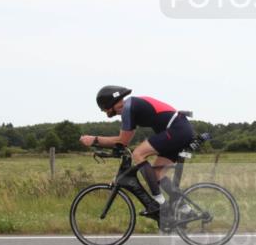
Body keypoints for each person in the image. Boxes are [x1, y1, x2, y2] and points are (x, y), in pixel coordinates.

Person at [80, 86, 194, 217]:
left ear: (109, 104)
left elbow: (123, 141)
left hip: (177, 130)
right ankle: (186, 210)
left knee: (138, 154)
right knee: (157, 174)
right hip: (180, 130)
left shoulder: (129, 107)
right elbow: (123, 140)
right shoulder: (131, 106)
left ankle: (158, 203)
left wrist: (94, 139)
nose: (106, 113)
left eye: (104, 109)